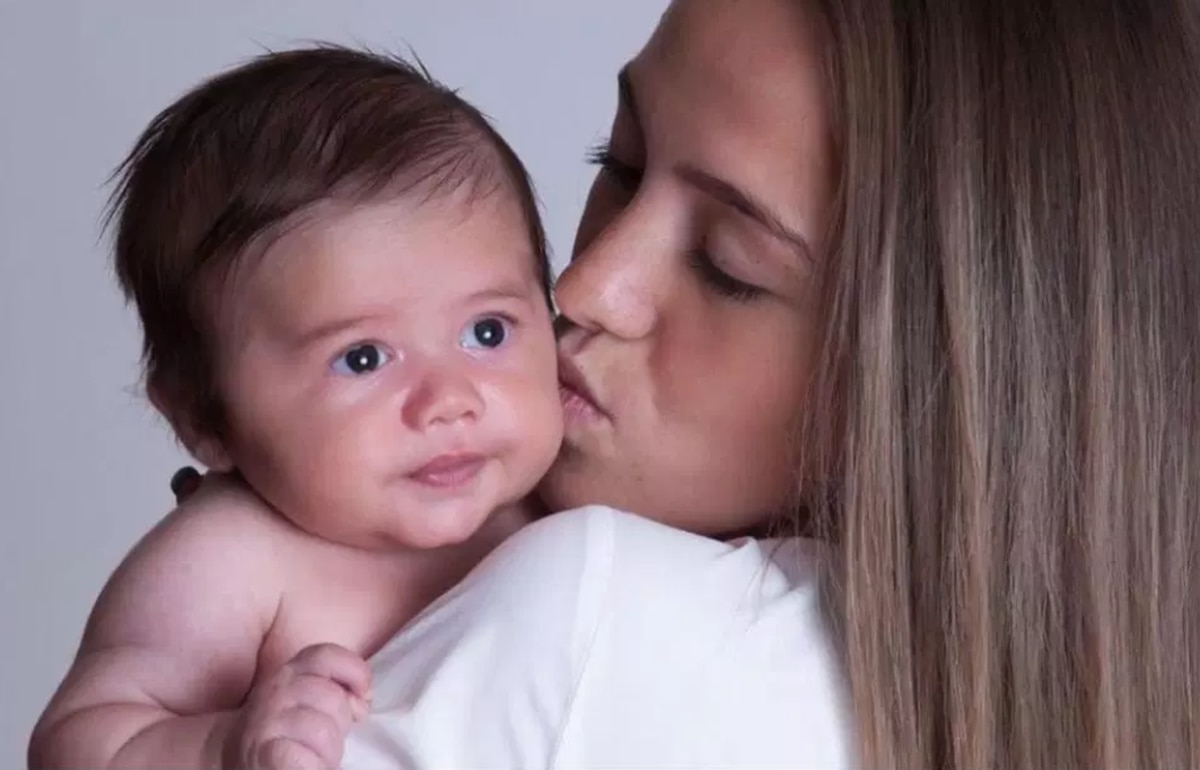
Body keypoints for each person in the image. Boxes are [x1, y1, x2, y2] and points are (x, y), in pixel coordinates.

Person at [46, 0, 1200, 766]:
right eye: (619, 164)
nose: (581, 288)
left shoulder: (594, 604)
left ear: (948, 384)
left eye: (729, 267)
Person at [27, 46, 565, 770]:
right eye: (363, 358)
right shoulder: (230, 563)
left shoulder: (559, 493)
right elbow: (80, 742)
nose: (449, 401)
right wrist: (220, 743)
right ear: (203, 419)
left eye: (487, 332)